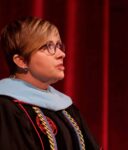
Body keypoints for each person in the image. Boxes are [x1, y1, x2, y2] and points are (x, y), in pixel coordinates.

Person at [0, 16, 99, 150]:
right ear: (21, 61)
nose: (61, 54)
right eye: (48, 47)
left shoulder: (66, 107)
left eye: (58, 46)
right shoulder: (7, 106)